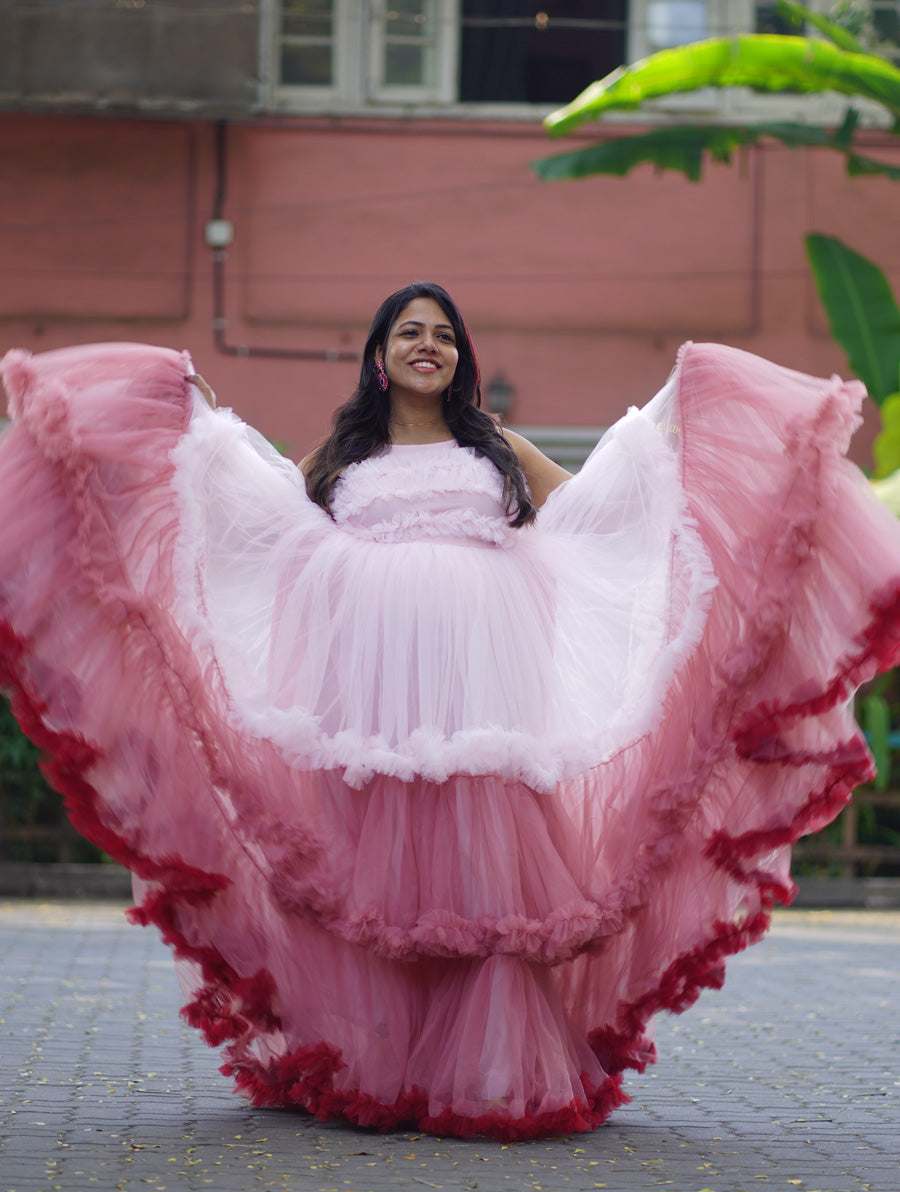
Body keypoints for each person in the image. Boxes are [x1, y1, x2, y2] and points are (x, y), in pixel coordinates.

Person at [1, 281, 899, 1141]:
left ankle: (491, 1070)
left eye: (443, 334)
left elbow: (595, 510)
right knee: (378, 883)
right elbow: (264, 515)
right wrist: (205, 427)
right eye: (410, 332)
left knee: (484, 880)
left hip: (484, 714)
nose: (428, 345)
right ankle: (374, 1069)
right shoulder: (344, 456)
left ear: (461, 357)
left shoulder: (496, 448)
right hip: (371, 722)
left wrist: (665, 427)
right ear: (380, 356)